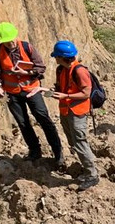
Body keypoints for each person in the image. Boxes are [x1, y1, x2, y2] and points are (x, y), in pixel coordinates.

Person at [0, 22, 63, 165]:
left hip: (32, 90)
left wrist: (27, 72)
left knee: (44, 118)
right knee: (23, 123)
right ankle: (35, 151)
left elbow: (40, 67)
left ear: (15, 36)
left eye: (10, 41)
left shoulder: (27, 48)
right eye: (6, 42)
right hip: (12, 93)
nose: (9, 44)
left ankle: (58, 152)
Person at [42, 40, 99, 191]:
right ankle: (87, 169)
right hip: (65, 110)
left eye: (57, 56)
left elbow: (86, 93)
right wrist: (54, 91)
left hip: (77, 112)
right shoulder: (60, 70)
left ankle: (92, 174)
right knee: (74, 142)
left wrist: (66, 95)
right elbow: (61, 86)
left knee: (80, 142)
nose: (55, 59)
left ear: (62, 57)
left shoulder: (79, 71)